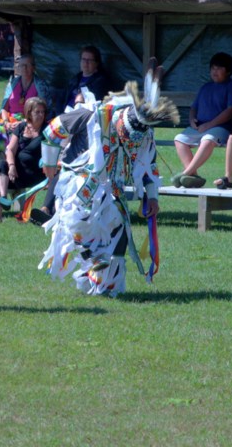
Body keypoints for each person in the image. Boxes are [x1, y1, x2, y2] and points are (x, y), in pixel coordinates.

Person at [38, 69, 179, 296]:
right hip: (79, 183)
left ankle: (108, 287)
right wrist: (49, 162)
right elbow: (51, 131)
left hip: (112, 187)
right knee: (78, 220)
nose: (128, 143)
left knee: (119, 235)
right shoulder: (91, 116)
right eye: (125, 136)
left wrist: (152, 196)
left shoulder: (143, 135)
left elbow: (149, 165)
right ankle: (92, 260)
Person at [172, 52, 232, 188]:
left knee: (208, 139)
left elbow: (230, 111)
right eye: (213, 68)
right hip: (201, 127)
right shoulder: (205, 87)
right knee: (179, 139)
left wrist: (209, 125)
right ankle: (193, 176)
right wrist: (192, 121)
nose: (215, 71)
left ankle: (185, 173)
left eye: (219, 68)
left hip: (221, 128)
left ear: (228, 71)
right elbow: (193, 108)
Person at [0, 96, 49, 223]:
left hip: (37, 173)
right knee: (2, 164)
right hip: (17, 172)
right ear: (29, 113)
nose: (41, 115)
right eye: (37, 112)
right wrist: (11, 166)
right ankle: (3, 199)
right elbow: (10, 149)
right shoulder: (21, 127)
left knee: (1, 175)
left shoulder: (48, 130)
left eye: (42, 112)